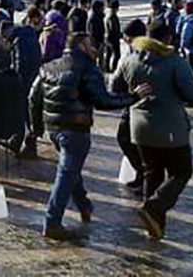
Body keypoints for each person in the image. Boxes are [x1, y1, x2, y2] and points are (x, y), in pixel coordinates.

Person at [29, 32, 144, 241]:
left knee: (70, 170)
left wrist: (37, 128)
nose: (95, 49)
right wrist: (133, 97)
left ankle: (84, 206)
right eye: (91, 45)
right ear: (82, 45)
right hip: (76, 130)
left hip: (54, 129)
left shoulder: (49, 66)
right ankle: (52, 222)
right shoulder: (88, 68)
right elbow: (102, 100)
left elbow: (33, 97)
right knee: (66, 174)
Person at [108, 20, 193, 240]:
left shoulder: (130, 59)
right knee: (181, 172)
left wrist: (135, 93)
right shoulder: (174, 61)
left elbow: (114, 88)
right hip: (170, 129)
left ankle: (155, 227)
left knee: (153, 174)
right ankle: (153, 207)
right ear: (168, 38)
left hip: (139, 130)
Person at [112, 18, 149, 193]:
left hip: (135, 104)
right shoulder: (154, 52)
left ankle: (144, 175)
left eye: (126, 37)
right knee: (134, 142)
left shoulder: (133, 56)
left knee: (125, 138)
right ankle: (142, 175)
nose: (124, 40)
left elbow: (115, 85)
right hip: (140, 104)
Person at [10, 6, 43, 158]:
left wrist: (16, 77)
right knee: (31, 112)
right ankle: (29, 144)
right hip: (34, 78)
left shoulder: (20, 39)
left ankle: (19, 143)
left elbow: (19, 62)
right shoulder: (32, 37)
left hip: (24, 80)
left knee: (22, 112)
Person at [105, 0, 123, 72]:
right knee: (117, 55)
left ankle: (108, 68)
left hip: (109, 38)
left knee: (109, 54)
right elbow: (113, 29)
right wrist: (120, 35)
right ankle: (113, 68)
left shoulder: (111, 16)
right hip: (113, 39)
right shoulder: (112, 17)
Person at [87, 0, 106, 65]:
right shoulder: (94, 18)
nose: (103, 9)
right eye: (102, 7)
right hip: (96, 43)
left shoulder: (99, 17)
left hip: (99, 42)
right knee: (95, 60)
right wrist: (98, 44)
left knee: (101, 59)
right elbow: (92, 33)